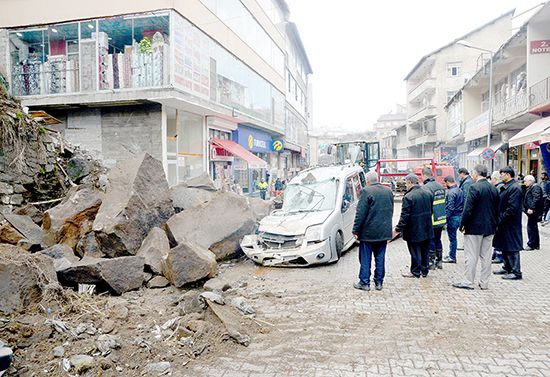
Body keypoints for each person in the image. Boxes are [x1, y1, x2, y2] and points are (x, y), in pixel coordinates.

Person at [452, 165, 499, 290]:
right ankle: (484, 283)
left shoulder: (474, 187)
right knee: (486, 255)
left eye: (472, 172)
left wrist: (462, 224)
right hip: (489, 227)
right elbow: (497, 209)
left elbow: (468, 209)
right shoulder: (493, 188)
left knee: (471, 255)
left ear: (476, 173)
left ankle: (468, 281)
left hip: (474, 227)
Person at [352, 171, 394, 291]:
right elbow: (390, 211)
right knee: (380, 258)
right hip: (383, 232)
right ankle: (379, 282)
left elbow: (360, 214)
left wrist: (355, 230)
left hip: (368, 233)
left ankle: (364, 282)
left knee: (365, 258)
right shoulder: (388, 191)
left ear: (367, 180)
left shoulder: (366, 191)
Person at [395, 174, 434, 278]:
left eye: (406, 183)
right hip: (427, 227)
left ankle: (415, 271)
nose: (406, 186)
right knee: (425, 250)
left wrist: (398, 228)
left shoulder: (408, 196)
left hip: (414, 229)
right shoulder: (428, 193)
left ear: (410, 183)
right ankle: (425, 271)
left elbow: (405, 215)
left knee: (415, 251)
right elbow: (431, 210)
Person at [493, 166, 524, 280]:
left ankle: (516, 272)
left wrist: (501, 218)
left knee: (512, 246)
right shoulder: (506, 186)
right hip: (504, 223)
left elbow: (512, 208)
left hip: (511, 223)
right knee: (504, 245)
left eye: (502, 173)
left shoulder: (514, 188)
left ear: (508, 174)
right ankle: (507, 267)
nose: (500, 176)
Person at [421, 167, 447, 270]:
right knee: (438, 239)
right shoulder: (440, 186)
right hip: (441, 218)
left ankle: (431, 262)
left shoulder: (426, 187)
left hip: (431, 219)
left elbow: (426, 204)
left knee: (430, 240)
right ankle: (439, 261)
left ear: (424, 175)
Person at [442, 175, 464, 264]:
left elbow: (450, 208)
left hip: (452, 217)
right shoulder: (460, 190)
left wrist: (446, 219)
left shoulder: (450, 193)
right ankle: (452, 255)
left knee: (452, 238)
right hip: (459, 216)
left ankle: (452, 257)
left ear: (447, 182)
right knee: (454, 238)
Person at [523, 175, 543, 250]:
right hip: (532, 211)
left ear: (530, 181)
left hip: (533, 211)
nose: (524, 183)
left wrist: (531, 208)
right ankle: (535, 244)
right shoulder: (532, 187)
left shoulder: (535, 187)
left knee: (531, 228)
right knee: (533, 227)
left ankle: (531, 244)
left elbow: (536, 197)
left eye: (525, 181)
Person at [490, 171, 504, 264]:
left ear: (495, 179)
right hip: (499, 216)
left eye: (491, 179)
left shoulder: (498, 188)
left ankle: (499, 255)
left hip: (499, 216)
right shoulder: (499, 187)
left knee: (499, 236)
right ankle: (496, 254)